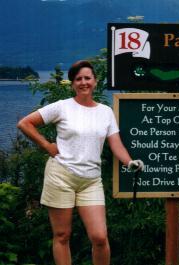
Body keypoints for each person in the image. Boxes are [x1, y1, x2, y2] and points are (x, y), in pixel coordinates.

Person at [17, 60, 144, 265]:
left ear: (95, 81)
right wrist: (47, 146)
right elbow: (25, 123)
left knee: (100, 238)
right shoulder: (62, 107)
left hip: (91, 181)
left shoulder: (105, 112)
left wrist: (129, 162)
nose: (83, 82)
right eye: (78, 79)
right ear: (73, 83)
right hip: (61, 176)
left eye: (87, 78)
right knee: (62, 236)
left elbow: (116, 144)